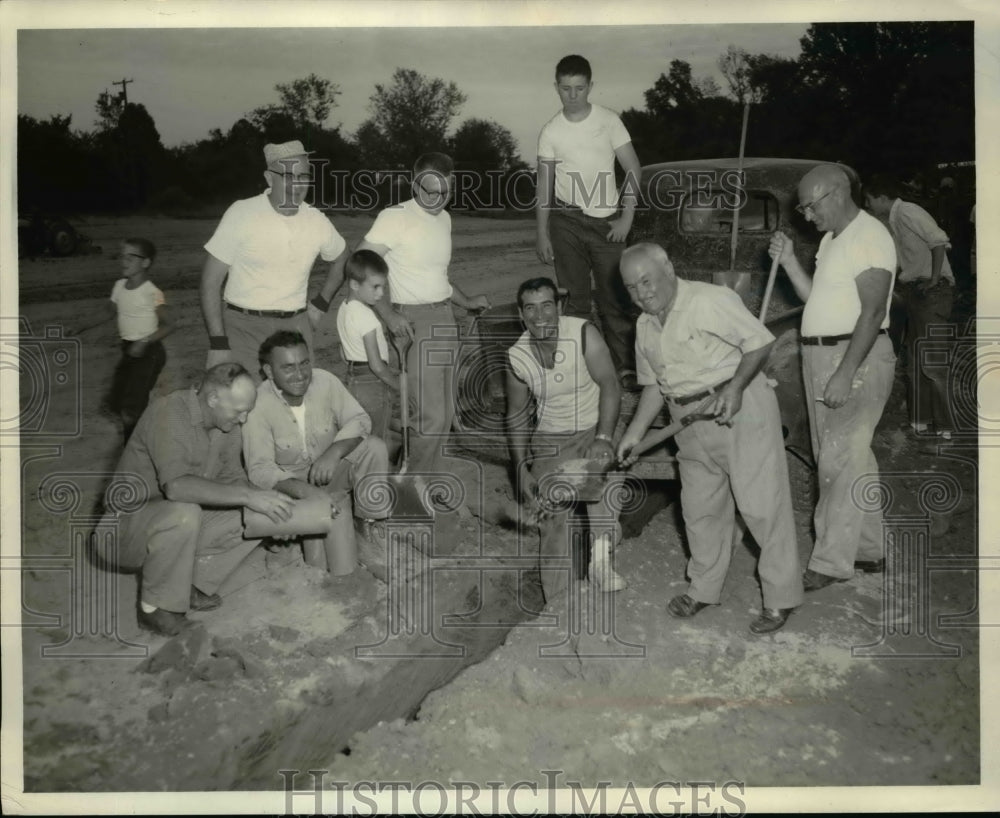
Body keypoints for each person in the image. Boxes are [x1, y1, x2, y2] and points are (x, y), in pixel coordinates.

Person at [617, 243, 803, 634]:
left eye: (647, 280)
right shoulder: (645, 325)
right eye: (631, 287)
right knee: (699, 509)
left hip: (738, 408)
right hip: (685, 419)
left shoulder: (709, 300)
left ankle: (781, 597)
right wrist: (634, 434)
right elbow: (653, 385)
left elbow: (760, 341)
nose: (642, 292)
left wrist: (734, 388)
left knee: (761, 506)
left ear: (667, 268)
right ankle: (704, 588)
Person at [769, 164, 897, 592]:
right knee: (851, 456)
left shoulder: (870, 237)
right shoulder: (831, 240)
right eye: (802, 207)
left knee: (837, 459)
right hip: (823, 353)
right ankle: (867, 549)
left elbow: (873, 312)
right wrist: (788, 262)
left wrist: (845, 372)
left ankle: (830, 561)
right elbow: (815, 300)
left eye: (810, 205)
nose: (806, 215)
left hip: (852, 357)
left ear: (838, 193)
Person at [100, 363, 295, 637]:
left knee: (258, 512)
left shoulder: (225, 425)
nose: (243, 419)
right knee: (185, 510)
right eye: (238, 411)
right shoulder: (169, 412)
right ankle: (155, 610)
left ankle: (185, 585)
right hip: (123, 530)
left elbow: (234, 482)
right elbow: (177, 487)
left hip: (172, 521)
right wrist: (249, 495)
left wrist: (274, 514)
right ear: (213, 399)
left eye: (247, 412)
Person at [355, 152, 490, 476]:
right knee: (427, 416)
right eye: (429, 191)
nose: (437, 199)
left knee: (444, 413)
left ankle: (424, 479)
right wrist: (388, 315)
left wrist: (467, 301)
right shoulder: (395, 216)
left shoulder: (444, 218)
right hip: (414, 323)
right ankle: (410, 489)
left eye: (445, 192)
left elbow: (436, 277)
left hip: (444, 317)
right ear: (414, 184)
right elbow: (360, 263)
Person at [506, 276, 626, 603]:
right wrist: (520, 467)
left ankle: (600, 561)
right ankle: (556, 598)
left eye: (547, 306)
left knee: (602, 475)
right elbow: (516, 415)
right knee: (551, 511)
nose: (539, 315)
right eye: (530, 308)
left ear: (558, 307)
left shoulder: (583, 333)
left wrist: (603, 437)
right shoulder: (517, 357)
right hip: (550, 438)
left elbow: (610, 384)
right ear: (521, 314)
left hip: (591, 426)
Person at [242, 331, 393, 578]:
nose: (300, 375)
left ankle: (368, 524)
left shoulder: (325, 381)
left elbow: (360, 420)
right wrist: (304, 491)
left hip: (328, 473)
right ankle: (289, 543)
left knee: (374, 448)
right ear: (269, 372)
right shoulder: (257, 403)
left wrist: (334, 452)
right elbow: (259, 470)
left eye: (304, 363)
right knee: (293, 561)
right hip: (291, 490)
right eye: (288, 368)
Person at [535, 54, 643, 391]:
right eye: (565, 89)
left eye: (579, 88)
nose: (572, 95)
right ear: (556, 87)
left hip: (607, 221)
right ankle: (582, 370)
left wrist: (626, 216)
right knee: (575, 299)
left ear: (590, 86)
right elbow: (544, 185)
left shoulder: (609, 121)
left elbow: (634, 169)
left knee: (614, 296)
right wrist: (541, 232)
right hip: (566, 220)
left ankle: (625, 367)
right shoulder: (551, 131)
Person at [200, 139, 349, 378]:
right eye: (288, 176)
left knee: (297, 406)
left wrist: (320, 305)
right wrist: (218, 344)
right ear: (269, 179)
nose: (298, 184)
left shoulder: (316, 220)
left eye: (304, 176)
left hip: (296, 329)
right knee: (247, 407)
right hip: (244, 328)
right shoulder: (242, 213)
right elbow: (210, 282)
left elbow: (343, 258)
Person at [864, 174, 955, 439]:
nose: (868, 205)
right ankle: (920, 422)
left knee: (933, 363)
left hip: (932, 291)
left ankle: (946, 429)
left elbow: (939, 241)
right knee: (915, 360)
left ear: (881, 198)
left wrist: (935, 279)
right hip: (915, 291)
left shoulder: (907, 211)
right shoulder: (892, 221)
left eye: (869, 200)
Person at [107, 237, 173, 443]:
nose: (124, 261)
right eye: (122, 255)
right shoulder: (119, 286)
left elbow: (169, 324)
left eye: (131, 256)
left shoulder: (152, 293)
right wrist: (79, 326)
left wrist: (144, 342)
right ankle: (145, 432)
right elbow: (108, 312)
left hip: (149, 352)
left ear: (145, 262)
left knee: (131, 407)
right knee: (115, 403)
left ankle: (133, 450)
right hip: (129, 350)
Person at [336, 249, 399, 442]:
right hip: (372, 383)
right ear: (355, 284)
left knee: (361, 435)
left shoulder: (344, 308)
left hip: (354, 378)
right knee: (376, 439)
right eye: (375, 287)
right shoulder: (365, 315)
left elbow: (343, 352)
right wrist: (398, 385)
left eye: (384, 287)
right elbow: (376, 365)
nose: (381, 294)